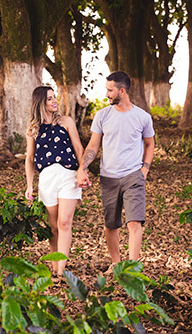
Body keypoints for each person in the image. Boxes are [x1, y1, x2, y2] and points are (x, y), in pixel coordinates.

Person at [76, 71, 155, 273]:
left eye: (110, 90)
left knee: (134, 222)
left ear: (122, 90)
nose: (107, 94)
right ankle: (117, 263)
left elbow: (149, 144)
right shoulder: (102, 116)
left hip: (133, 176)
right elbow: (93, 145)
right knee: (111, 224)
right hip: (108, 177)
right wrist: (83, 168)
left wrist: (144, 169)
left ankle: (131, 267)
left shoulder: (142, 117)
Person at [24, 86, 85, 275]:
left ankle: (61, 271)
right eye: (49, 99)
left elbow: (78, 148)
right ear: (41, 102)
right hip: (47, 179)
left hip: (69, 175)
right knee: (53, 227)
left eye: (54, 97)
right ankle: (54, 264)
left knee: (65, 223)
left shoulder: (66, 121)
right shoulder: (33, 129)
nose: (54, 101)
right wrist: (29, 186)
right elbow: (29, 158)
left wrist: (82, 171)